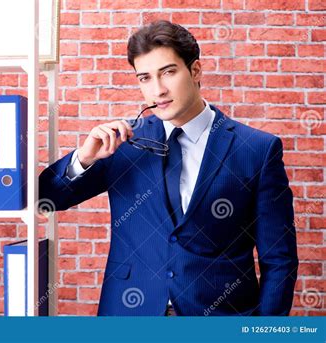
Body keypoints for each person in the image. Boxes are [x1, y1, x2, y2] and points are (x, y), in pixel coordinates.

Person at [39, 20, 298, 316]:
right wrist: (82, 159)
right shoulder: (123, 141)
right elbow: (45, 198)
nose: (157, 90)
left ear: (196, 71)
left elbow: (279, 259)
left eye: (168, 73)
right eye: (145, 78)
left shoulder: (257, 150)